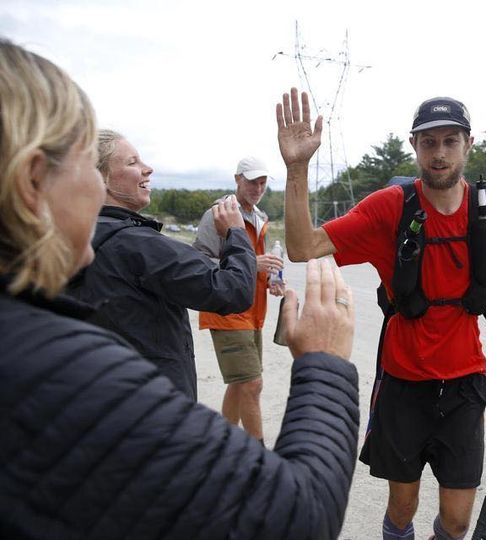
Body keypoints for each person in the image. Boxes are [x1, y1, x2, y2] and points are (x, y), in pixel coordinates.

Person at [0, 38, 360, 540]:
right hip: (222, 327)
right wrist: (325, 364)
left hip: (242, 327)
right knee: (250, 385)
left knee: (243, 387)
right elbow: (295, 517)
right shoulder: (73, 366)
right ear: (33, 181)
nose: (147, 169)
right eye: (86, 160)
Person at [276, 88, 486, 540]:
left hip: (464, 383)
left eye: (450, 141)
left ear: (469, 143)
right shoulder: (389, 208)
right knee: (402, 506)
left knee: (458, 520)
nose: (439, 154)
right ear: (414, 145)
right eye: (429, 142)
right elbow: (303, 246)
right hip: (403, 382)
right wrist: (297, 168)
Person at [67, 129, 258, 401]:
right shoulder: (138, 244)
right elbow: (233, 290)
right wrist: (235, 233)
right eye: (133, 163)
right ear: (101, 179)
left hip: (98, 397)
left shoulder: (70, 240)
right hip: (157, 404)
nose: (148, 169)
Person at [193, 156, 285, 445]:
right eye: (252, 182)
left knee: (240, 383)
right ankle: (257, 457)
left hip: (253, 310)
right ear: (237, 180)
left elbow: (257, 261)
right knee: (252, 384)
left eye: (263, 183)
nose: (258, 188)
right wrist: (250, 263)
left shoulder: (260, 217)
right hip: (226, 308)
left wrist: (271, 278)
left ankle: (221, 446)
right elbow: (200, 262)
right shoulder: (219, 214)